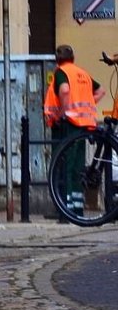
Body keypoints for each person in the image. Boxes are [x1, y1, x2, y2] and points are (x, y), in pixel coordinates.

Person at [46, 44, 100, 219]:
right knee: (77, 167)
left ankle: (65, 211)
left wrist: (64, 110)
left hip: (67, 124)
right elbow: (100, 91)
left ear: (57, 60)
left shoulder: (62, 72)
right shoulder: (81, 73)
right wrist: (88, 104)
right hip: (84, 125)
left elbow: (64, 90)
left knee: (64, 167)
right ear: (73, 58)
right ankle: (77, 209)